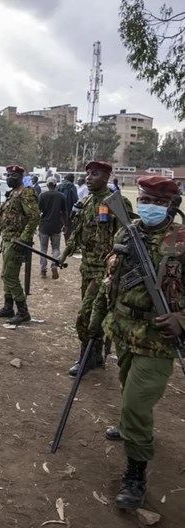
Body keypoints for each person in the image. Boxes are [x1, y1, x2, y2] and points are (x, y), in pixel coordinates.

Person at [89, 175, 183, 510]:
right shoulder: (125, 231)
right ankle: (131, 426)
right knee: (128, 388)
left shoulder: (181, 241)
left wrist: (180, 319)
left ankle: (135, 474)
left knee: (136, 404)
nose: (149, 208)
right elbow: (109, 280)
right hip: (124, 330)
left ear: (172, 205)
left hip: (158, 338)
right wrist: (95, 320)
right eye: (145, 200)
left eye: (158, 203)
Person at [59, 161, 133, 378]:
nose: (89, 177)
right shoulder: (87, 201)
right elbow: (77, 232)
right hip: (87, 268)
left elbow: (127, 236)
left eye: (95, 174)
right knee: (93, 315)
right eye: (88, 174)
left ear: (107, 177)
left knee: (85, 317)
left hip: (105, 271)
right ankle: (95, 356)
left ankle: (86, 357)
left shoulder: (117, 203)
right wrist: (63, 255)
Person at [0, 165, 39, 325]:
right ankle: (8, 307)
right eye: (8, 175)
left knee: (10, 276)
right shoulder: (12, 194)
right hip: (7, 239)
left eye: (12, 176)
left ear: (19, 177)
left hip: (17, 241)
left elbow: (34, 217)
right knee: (5, 274)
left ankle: (23, 312)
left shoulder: (26, 193)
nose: (8, 178)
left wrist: (24, 239)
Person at [37, 177, 67, 279]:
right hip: (56, 226)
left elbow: (38, 211)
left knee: (43, 249)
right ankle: (54, 264)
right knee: (56, 248)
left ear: (47, 184)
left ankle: (43, 270)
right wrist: (65, 224)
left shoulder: (42, 195)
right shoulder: (61, 196)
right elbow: (64, 212)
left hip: (44, 226)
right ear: (55, 185)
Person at [57, 174, 79, 241]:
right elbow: (75, 199)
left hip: (58, 211)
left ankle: (55, 246)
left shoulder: (58, 186)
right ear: (72, 179)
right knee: (68, 229)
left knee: (57, 230)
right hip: (68, 211)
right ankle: (67, 243)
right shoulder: (72, 187)